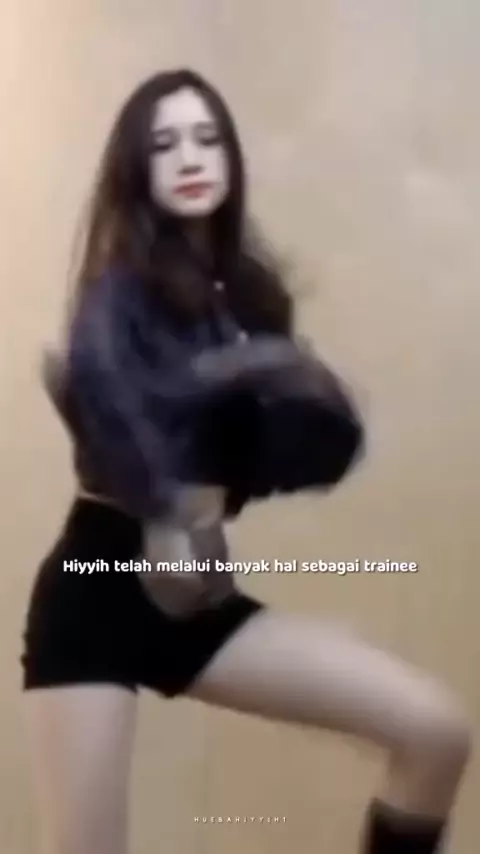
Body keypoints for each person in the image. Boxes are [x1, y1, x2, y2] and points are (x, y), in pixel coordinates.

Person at [21, 69, 471, 854]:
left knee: (436, 731)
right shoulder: (118, 297)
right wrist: (239, 379)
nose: (190, 157)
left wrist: (296, 396)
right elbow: (132, 427)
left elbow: (283, 455)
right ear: (138, 169)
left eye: (207, 139)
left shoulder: (248, 300)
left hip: (196, 597)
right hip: (96, 592)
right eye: (165, 145)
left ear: (230, 157)